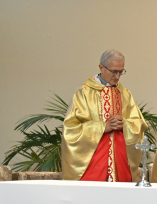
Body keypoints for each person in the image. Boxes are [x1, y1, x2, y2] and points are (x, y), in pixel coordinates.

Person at [62, 49, 147, 182]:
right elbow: (70, 128)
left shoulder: (125, 94)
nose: (117, 76)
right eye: (114, 71)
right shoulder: (84, 93)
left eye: (121, 72)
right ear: (101, 67)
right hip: (94, 159)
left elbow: (139, 123)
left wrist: (125, 124)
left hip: (120, 159)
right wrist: (102, 127)